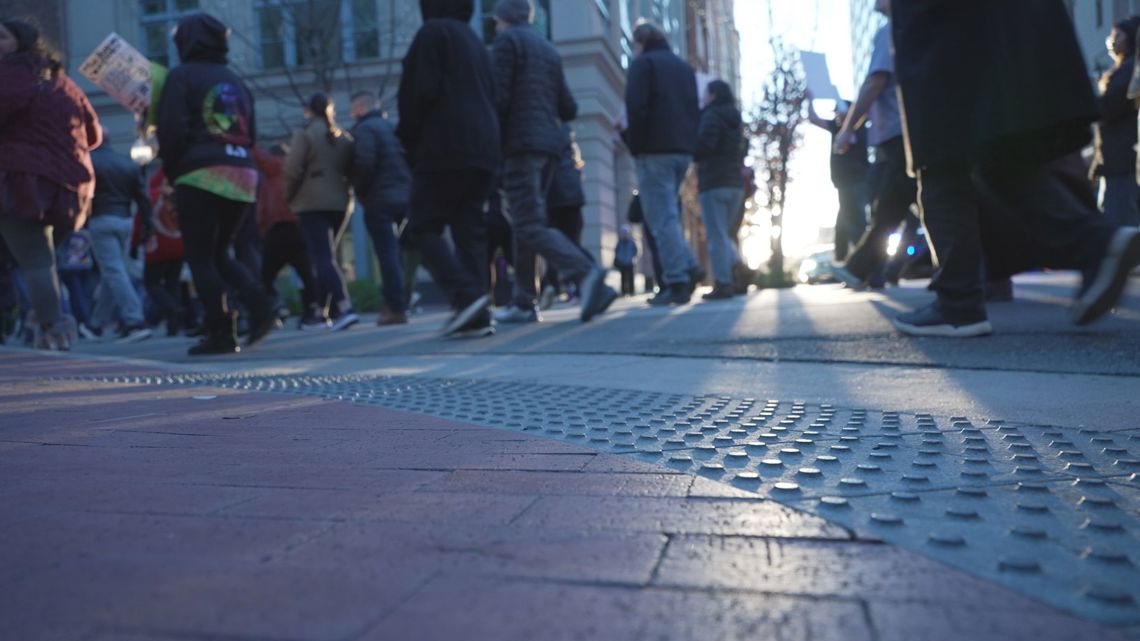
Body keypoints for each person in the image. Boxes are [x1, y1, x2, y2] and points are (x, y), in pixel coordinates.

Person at [888, 0, 1140, 336]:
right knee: (1001, 154)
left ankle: (958, 302)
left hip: (943, 29)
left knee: (940, 159)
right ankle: (1098, 243)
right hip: (1004, 22)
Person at [490, 0, 617, 325]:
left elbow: (499, 99)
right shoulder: (547, 49)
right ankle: (523, 300)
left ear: (502, 18)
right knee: (525, 223)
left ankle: (586, 273)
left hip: (520, 146)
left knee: (528, 222)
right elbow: (569, 106)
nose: (494, 24)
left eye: (495, 19)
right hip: (549, 148)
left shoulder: (507, 42)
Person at [157, 12, 275, 355]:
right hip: (241, 172)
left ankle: (223, 333)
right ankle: (260, 305)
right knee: (220, 252)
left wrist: (172, 169)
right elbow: (250, 133)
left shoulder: (181, 77)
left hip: (200, 172)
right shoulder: (235, 80)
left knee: (200, 257)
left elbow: (172, 130)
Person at [397, 0, 501, 338]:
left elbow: (417, 94)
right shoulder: (475, 42)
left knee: (422, 226)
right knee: (469, 230)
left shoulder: (432, 34)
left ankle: (466, 296)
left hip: (443, 147)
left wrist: (409, 140)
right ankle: (476, 313)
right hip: (482, 150)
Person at [0, 18, 101, 351]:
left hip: (21, 182)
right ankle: (43, 323)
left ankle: (52, 328)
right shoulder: (64, 81)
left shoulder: (8, 76)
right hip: (70, 188)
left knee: (34, 259)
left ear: (22, 42)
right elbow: (94, 135)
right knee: (40, 259)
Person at [832, 0, 917, 290]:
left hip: (898, 133)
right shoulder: (910, 27)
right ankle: (862, 269)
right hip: (907, 131)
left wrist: (846, 130)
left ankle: (861, 269)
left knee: (898, 206)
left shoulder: (888, 31)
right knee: (900, 205)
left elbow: (875, 81)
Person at [621, 21, 703, 306]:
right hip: (681, 150)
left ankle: (678, 278)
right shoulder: (683, 68)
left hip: (654, 149)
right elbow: (694, 111)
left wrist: (634, 143)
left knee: (660, 218)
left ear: (640, 43)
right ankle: (688, 266)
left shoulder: (644, 65)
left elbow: (636, 106)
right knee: (667, 214)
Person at [285, 93, 358, 331]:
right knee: (327, 257)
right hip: (340, 203)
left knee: (322, 258)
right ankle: (320, 311)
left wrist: (287, 197)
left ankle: (344, 307)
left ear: (309, 110)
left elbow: (292, 170)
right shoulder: (343, 138)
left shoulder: (305, 135)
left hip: (312, 203)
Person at [87, 128, 153, 343]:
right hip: (125, 220)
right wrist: (147, 226)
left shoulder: (89, 162)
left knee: (113, 270)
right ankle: (96, 324)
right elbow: (143, 198)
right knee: (114, 271)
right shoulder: (126, 163)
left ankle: (135, 321)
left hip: (100, 219)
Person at [350, 90, 410, 326]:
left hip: (379, 199)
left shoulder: (365, 130)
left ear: (362, 108)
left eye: (353, 108)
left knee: (387, 254)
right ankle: (402, 301)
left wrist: (360, 190)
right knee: (399, 253)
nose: (352, 113)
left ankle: (395, 308)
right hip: (403, 196)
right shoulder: (392, 127)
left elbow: (364, 162)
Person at [252, 145, 324, 329]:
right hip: (299, 226)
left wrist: (245, 137)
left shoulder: (277, 167)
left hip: (280, 227)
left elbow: (258, 155)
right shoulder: (300, 172)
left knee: (265, 276)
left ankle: (274, 308)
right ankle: (313, 311)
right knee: (306, 274)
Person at [693, 79, 746, 300]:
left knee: (716, 236)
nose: (703, 97)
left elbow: (705, 146)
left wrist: (691, 146)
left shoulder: (711, 116)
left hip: (714, 182)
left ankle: (724, 282)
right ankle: (740, 271)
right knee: (723, 234)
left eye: (705, 93)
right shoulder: (735, 118)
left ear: (713, 94)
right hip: (735, 183)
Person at [806, 92, 869, 261]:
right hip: (843, 183)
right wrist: (810, 98)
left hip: (855, 181)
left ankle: (863, 265)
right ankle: (843, 261)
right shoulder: (836, 128)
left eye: (840, 113)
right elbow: (813, 118)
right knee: (843, 224)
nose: (837, 117)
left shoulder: (858, 129)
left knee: (855, 222)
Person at [1093, 16, 1140, 227]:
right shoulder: (1127, 69)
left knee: (1118, 223)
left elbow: (1107, 107)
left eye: (1117, 35)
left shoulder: (1129, 70)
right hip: (1120, 159)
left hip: (1121, 160)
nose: (1111, 40)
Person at [538, 124, 591, 311]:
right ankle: (573, 286)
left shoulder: (548, 138)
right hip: (572, 200)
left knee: (557, 246)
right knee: (571, 244)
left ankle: (553, 285)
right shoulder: (571, 152)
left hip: (555, 199)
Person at [614, 224, 639, 296]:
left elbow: (635, 251)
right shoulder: (619, 242)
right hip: (622, 263)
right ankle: (624, 292)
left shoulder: (632, 242)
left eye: (626, 232)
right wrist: (619, 258)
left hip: (629, 262)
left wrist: (632, 257)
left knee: (631, 277)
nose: (624, 234)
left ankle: (631, 291)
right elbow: (616, 251)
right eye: (623, 232)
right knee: (623, 277)